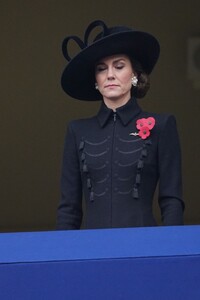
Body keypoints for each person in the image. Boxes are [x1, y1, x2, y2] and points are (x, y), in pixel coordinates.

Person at [56, 20, 184, 230]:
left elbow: (172, 201)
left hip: (144, 248)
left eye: (119, 66)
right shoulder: (77, 131)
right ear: (95, 80)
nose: (110, 75)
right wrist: (61, 256)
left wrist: (171, 250)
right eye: (101, 68)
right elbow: (68, 209)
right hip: (91, 249)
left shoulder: (162, 125)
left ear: (134, 74)